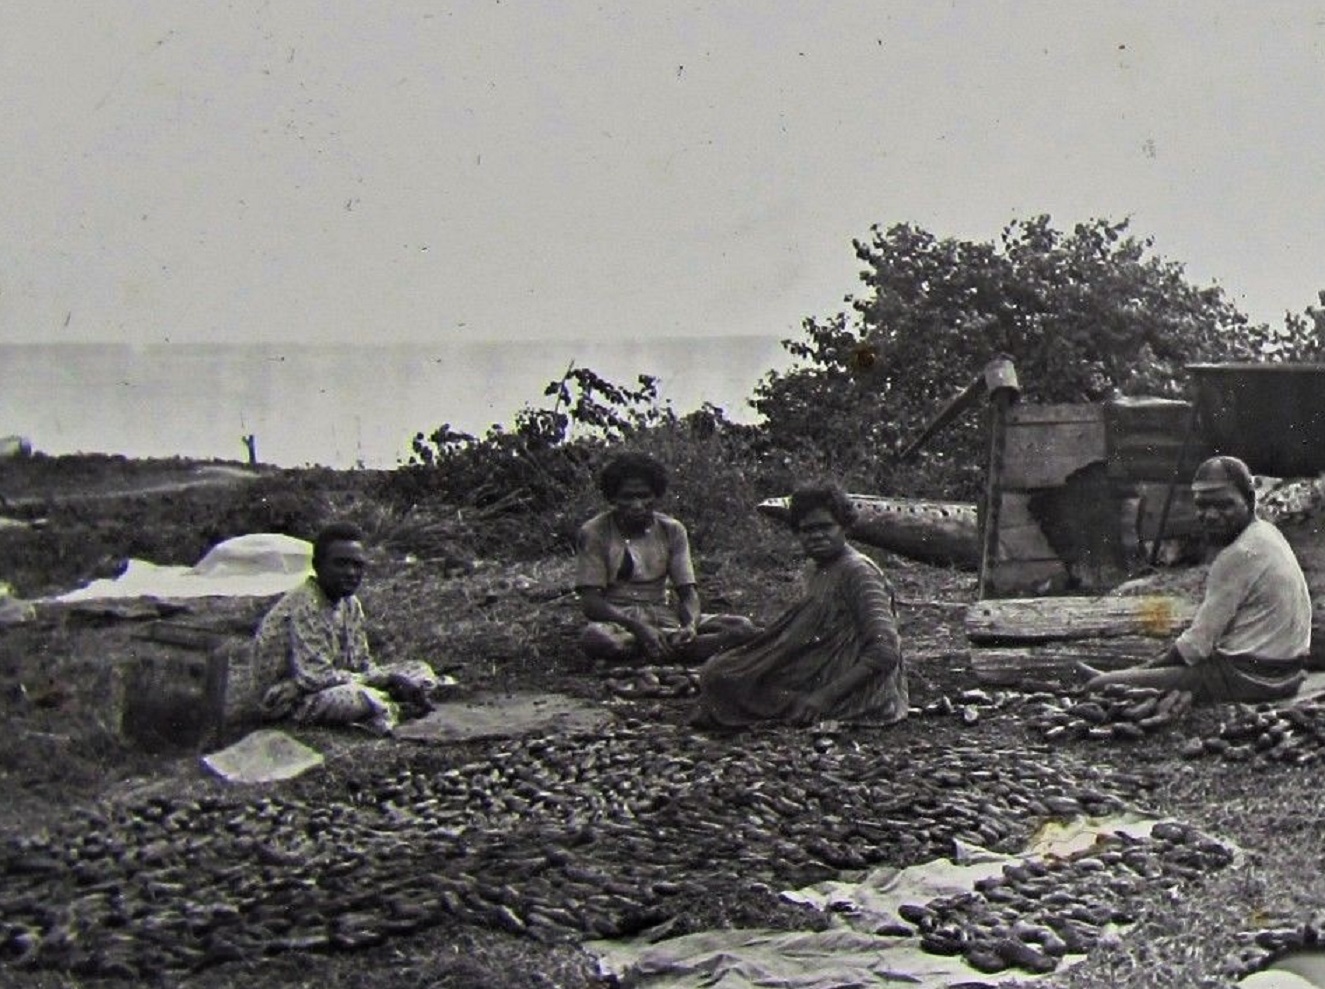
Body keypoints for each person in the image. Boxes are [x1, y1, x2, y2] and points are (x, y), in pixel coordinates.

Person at [1082, 455, 1311, 703]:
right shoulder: (1267, 533)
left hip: (1251, 679)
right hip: (1287, 671)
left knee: (1098, 685)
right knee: (1133, 679)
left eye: (1224, 505)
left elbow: (1195, 647)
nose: (1211, 515)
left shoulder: (1239, 555)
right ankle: (1121, 677)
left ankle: (1113, 678)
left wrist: (1137, 672)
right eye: (1202, 505)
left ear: (1250, 500)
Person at [691, 483, 909, 729]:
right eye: (807, 530)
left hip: (859, 689)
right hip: (822, 666)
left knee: (727, 681)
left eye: (825, 527)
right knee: (721, 672)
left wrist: (823, 698)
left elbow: (884, 651)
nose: (816, 535)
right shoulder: (816, 567)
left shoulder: (859, 572)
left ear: (844, 527)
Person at [254, 521, 437, 734]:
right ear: (317, 565)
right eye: (341, 564)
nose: (351, 572)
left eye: (357, 565)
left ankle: (396, 701)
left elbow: (361, 663)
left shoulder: (349, 603)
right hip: (294, 698)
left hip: (336, 682)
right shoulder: (305, 604)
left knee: (419, 669)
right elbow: (314, 678)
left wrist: (386, 678)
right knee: (361, 697)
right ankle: (393, 707)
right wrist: (384, 681)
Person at [576, 452, 757, 665]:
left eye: (644, 496)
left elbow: (688, 593)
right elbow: (591, 602)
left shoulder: (672, 529)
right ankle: (675, 650)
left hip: (663, 614)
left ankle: (654, 652)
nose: (637, 505)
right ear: (613, 498)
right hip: (619, 620)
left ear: (656, 496)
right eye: (627, 497)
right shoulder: (595, 531)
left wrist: (690, 626)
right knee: (596, 639)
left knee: (741, 627)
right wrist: (638, 627)